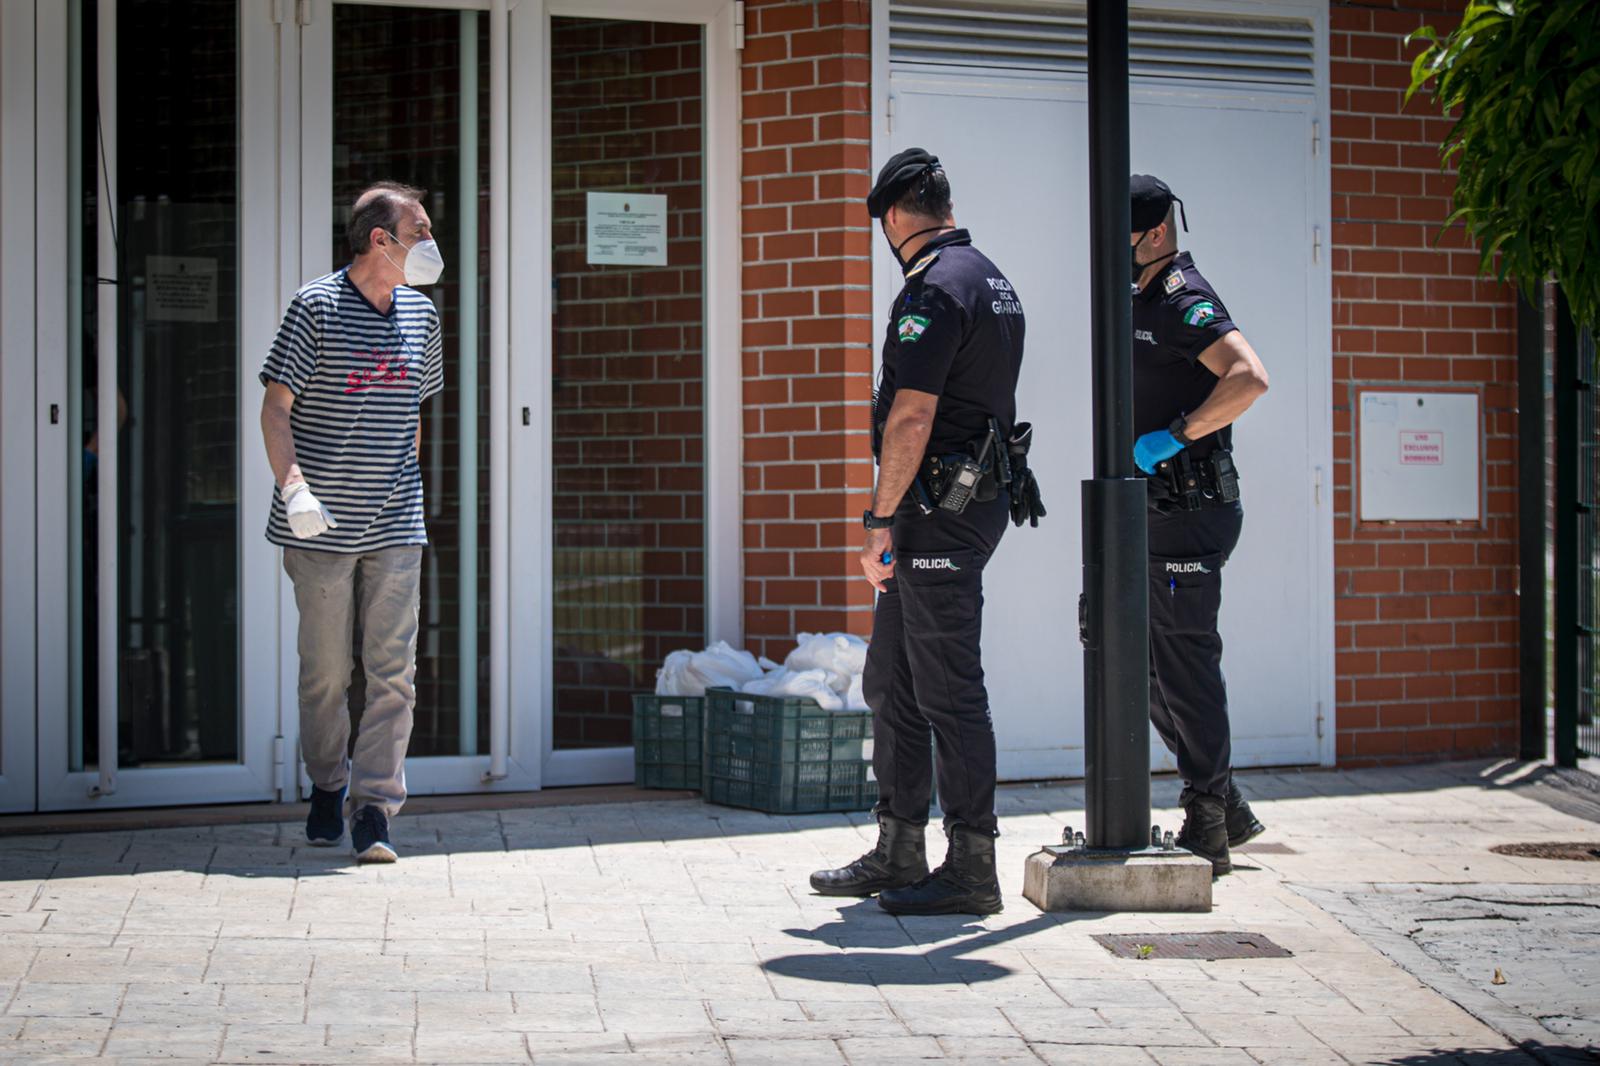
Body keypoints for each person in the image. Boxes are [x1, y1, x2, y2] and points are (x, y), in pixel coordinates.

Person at [809, 148, 1038, 916]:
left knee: (947, 691)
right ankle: (899, 849)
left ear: (895, 217)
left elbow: (912, 415)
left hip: (939, 510)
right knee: (893, 683)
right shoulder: (989, 277)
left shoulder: (933, 291)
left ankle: (972, 867)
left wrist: (878, 518)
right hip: (963, 502)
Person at [259, 181, 445, 863]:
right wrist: (295, 488)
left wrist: (406, 491)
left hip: (396, 521)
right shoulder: (316, 307)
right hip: (320, 527)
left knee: (394, 670)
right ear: (381, 239)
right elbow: (275, 408)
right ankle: (328, 782)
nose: (429, 242)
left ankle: (374, 808)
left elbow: (413, 416)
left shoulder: (421, 317)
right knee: (326, 674)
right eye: (419, 230)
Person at [1128, 174, 1270, 875]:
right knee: (1148, 667)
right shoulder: (1142, 296)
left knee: (1183, 666)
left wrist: (1178, 435)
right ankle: (1227, 800)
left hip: (1191, 510)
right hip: (1155, 514)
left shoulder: (1186, 300)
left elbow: (1249, 377)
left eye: (1122, 233)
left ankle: (1209, 821)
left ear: (1155, 232)